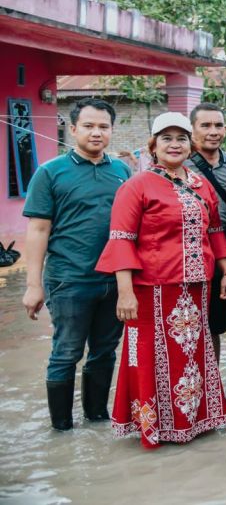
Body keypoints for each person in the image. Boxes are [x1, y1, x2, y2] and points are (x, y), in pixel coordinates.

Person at [96, 112, 226, 449]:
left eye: (181, 138)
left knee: (191, 356)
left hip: (196, 289)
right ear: (153, 146)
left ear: (191, 145)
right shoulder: (137, 185)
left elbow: (214, 231)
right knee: (147, 357)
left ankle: (193, 421)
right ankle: (154, 428)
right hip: (150, 291)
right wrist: (124, 293)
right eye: (167, 138)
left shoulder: (201, 185)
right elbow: (121, 238)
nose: (175, 144)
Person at [21, 98, 131, 431]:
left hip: (113, 281)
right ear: (72, 129)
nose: (96, 133)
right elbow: (38, 230)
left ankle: (97, 420)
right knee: (67, 352)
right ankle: (62, 428)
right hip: (69, 280)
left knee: (104, 352)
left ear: (112, 130)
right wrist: (33, 284)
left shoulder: (122, 171)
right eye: (88, 126)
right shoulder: (50, 172)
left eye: (103, 126)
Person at [184, 102, 226, 363]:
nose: (213, 131)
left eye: (218, 125)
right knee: (187, 325)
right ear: (192, 131)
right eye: (205, 125)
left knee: (214, 326)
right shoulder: (179, 167)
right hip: (188, 256)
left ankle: (212, 386)